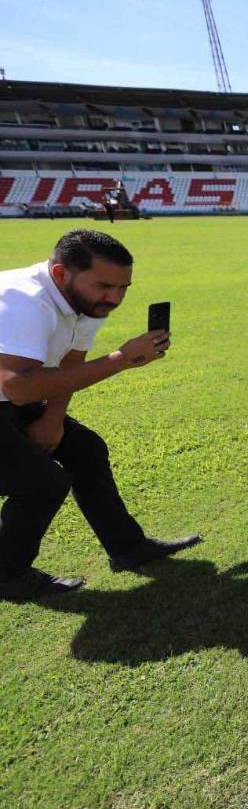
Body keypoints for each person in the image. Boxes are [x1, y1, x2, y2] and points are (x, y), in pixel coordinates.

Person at [0, 229, 201, 601]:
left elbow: (70, 359)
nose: (115, 298)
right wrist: (121, 360)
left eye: (124, 287)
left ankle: (127, 548)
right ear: (61, 274)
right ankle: (6, 574)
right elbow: (18, 385)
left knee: (86, 451)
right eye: (106, 286)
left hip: (13, 399)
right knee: (42, 484)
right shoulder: (24, 300)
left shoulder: (86, 300)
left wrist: (53, 421)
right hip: (11, 393)